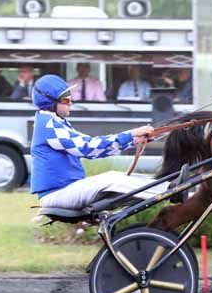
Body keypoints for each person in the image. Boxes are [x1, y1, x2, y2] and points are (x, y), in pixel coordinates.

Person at [30, 74, 168, 209]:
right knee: (112, 179)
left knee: (122, 177)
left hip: (65, 190)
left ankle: (169, 187)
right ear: (51, 102)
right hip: (57, 194)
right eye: (66, 100)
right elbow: (89, 148)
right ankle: (171, 192)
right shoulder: (48, 125)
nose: (71, 102)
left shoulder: (55, 121)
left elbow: (95, 145)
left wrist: (133, 140)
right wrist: (130, 134)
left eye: (70, 97)